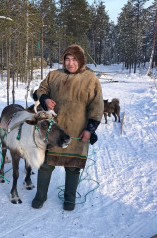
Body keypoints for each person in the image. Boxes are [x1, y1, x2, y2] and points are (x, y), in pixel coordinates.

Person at [32, 44, 104, 211]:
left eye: (74, 59)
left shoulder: (90, 79)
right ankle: (40, 195)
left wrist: (90, 128)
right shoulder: (54, 75)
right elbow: (40, 90)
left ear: (81, 61)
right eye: (67, 59)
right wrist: (45, 100)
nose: (70, 63)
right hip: (53, 130)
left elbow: (97, 106)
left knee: (72, 167)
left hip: (76, 130)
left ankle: (69, 199)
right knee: (46, 164)